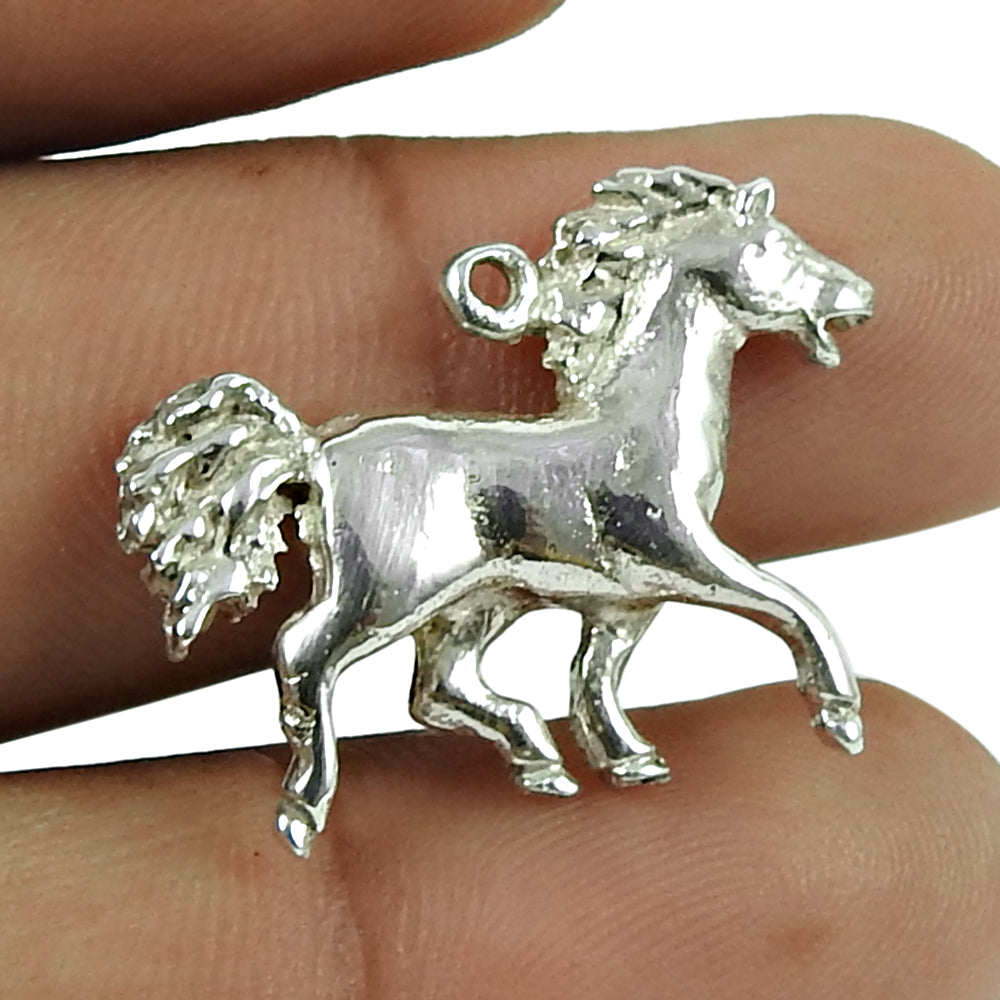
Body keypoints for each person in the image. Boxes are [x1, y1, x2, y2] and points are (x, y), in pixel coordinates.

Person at [1, 2, 998, 996]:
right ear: (723, 267)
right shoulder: (617, 462)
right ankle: (320, 749)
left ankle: (559, 724)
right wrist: (810, 639)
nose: (803, 277)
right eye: (777, 260)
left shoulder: (646, 424)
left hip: (542, 537)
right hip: (468, 496)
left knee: (465, 667)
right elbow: (683, 559)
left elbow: (633, 585)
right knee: (346, 632)